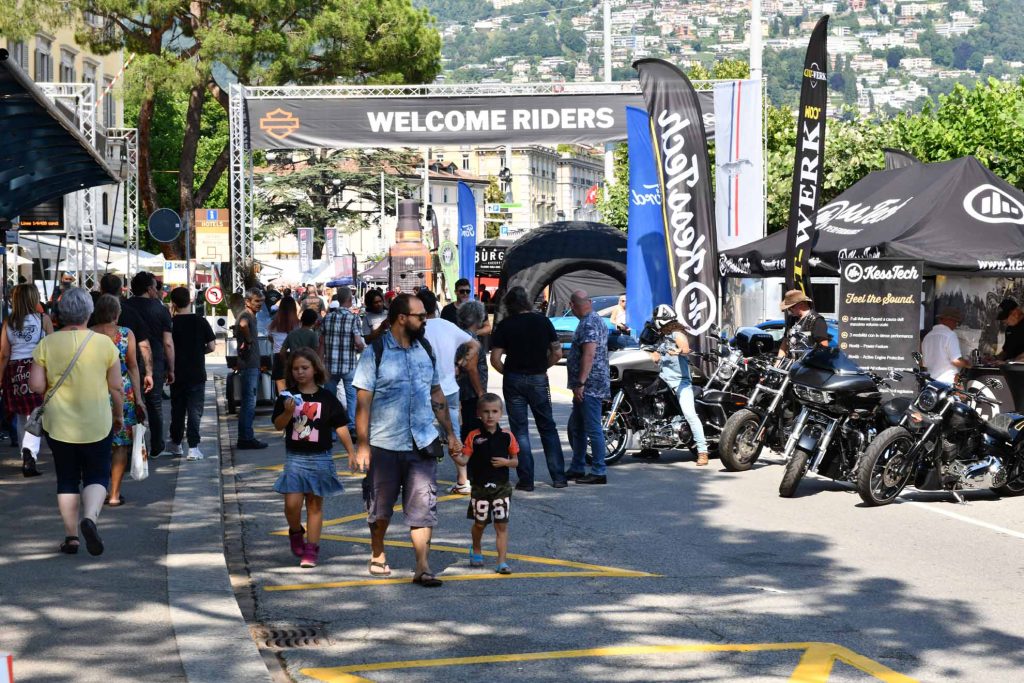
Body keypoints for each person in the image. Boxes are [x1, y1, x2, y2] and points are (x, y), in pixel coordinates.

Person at [352, 293, 461, 587]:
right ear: (402, 318)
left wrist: (450, 434)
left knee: (424, 508)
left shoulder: (425, 348)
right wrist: (362, 445)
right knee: (380, 509)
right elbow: (363, 402)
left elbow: (436, 393)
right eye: (420, 316)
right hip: (384, 444)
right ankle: (378, 552)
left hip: (422, 442)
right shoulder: (375, 352)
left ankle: (422, 567)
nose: (425, 320)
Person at [29, 288, 124, 556]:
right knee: (96, 474)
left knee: (67, 479)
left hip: (59, 424)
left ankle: (71, 537)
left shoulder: (46, 344)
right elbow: (116, 387)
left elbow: (36, 386)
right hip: (97, 421)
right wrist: (118, 416)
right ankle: (90, 519)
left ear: (60, 314)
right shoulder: (105, 344)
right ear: (89, 312)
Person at [272, 348, 356, 569]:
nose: (300, 372)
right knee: (291, 505)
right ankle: (296, 530)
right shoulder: (287, 397)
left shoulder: (326, 397)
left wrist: (351, 452)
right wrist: (288, 413)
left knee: (314, 505)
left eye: (305, 368)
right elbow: (278, 425)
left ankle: (311, 549)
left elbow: (341, 426)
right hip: (295, 458)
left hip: (321, 458)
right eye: (296, 369)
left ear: (315, 369)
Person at [489, 286, 566, 490]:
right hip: (538, 378)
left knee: (520, 430)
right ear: (527, 301)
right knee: (547, 427)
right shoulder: (543, 321)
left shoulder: (505, 325)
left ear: (509, 305)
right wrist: (543, 366)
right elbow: (557, 353)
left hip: (514, 379)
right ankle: (558, 477)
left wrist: (509, 373)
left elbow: (495, 359)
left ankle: (526, 480)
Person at [418, 289, 479, 495]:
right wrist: (460, 364)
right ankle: (463, 479)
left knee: (421, 433)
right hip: (450, 388)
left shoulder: (419, 329)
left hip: (427, 390)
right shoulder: (448, 326)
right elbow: (474, 344)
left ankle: (420, 479)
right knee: (454, 433)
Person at [452, 393, 518, 574]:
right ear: (478, 413)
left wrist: (506, 462)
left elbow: (515, 461)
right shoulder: (473, 437)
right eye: (486, 412)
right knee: (480, 523)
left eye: (494, 411)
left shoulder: (507, 436)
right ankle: (476, 547)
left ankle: (502, 562)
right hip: (480, 488)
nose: (490, 416)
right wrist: (454, 454)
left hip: (501, 487)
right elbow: (464, 460)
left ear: (501, 413)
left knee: (501, 524)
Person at [90, 294, 144, 506]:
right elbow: (132, 365)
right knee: (120, 445)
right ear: (117, 313)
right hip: (122, 391)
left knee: (96, 443)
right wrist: (139, 398)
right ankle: (114, 494)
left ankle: (98, 490)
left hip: (93, 391)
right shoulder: (125, 334)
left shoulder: (88, 333)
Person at [0, 284, 54, 476]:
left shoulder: (9, 322)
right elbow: (52, 346)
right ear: (33, 298)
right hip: (36, 366)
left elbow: (4, 354)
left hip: (15, 370)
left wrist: (0, 377)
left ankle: (27, 453)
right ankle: (29, 453)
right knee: (36, 412)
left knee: (24, 416)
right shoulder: (43, 319)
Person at [648, 305, 709, 466]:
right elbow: (654, 356)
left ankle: (703, 451)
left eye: (656, 319)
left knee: (690, 414)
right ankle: (649, 448)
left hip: (680, 382)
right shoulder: (662, 338)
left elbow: (685, 348)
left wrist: (679, 351)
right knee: (650, 412)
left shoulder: (676, 333)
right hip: (662, 380)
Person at [123, 271, 174, 458]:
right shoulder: (160, 309)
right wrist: (172, 368)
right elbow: (168, 342)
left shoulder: (124, 307)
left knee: (133, 402)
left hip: (129, 360)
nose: (156, 290)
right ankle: (157, 446)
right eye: (154, 286)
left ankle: (136, 446)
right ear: (149, 289)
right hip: (156, 361)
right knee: (155, 404)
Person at [565, 290, 610, 484]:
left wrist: (581, 382)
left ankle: (599, 471)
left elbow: (589, 354)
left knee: (592, 428)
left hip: (590, 384)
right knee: (578, 426)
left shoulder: (589, 323)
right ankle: (577, 467)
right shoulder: (595, 319)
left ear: (573, 305)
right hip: (589, 383)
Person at [166, 288, 216, 460]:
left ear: (173, 303)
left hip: (176, 373)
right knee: (194, 412)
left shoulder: (171, 323)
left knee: (177, 410)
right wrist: (198, 352)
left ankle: (176, 443)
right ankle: (193, 447)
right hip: (196, 373)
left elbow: (167, 346)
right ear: (191, 300)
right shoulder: (200, 321)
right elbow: (212, 346)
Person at [320, 287, 364, 429]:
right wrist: (362, 349)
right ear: (350, 300)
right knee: (352, 397)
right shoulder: (353, 318)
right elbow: (358, 342)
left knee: (330, 398)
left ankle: (332, 429)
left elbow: (321, 342)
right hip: (349, 365)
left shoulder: (327, 318)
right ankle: (351, 427)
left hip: (330, 365)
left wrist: (320, 362)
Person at [235, 288, 268, 450]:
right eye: (257, 302)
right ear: (247, 301)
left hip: (251, 364)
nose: (260, 305)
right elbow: (242, 325)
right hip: (248, 365)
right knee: (249, 403)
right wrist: (248, 340)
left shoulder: (250, 315)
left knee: (249, 402)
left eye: (261, 302)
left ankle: (246, 436)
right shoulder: (246, 315)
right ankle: (246, 438)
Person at [456, 300, 489, 441]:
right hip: (472, 392)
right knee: (473, 431)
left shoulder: (460, 335)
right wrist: (480, 392)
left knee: (468, 428)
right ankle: (471, 461)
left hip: (464, 390)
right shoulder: (471, 339)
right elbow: (471, 368)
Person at [778, 289, 830, 357]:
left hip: (808, 364)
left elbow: (824, 346)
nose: (789, 310)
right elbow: (785, 342)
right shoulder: (791, 319)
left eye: (790, 307)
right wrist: (777, 363)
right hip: (792, 363)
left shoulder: (817, 320)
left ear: (801, 304)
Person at [268, 296, 300, 392]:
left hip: (279, 357)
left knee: (282, 393)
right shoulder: (299, 325)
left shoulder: (273, 325)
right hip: (295, 356)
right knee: (296, 390)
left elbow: (271, 338)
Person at [996, 298, 1024, 362]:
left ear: (1015, 312)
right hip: (1010, 368)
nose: (1004, 321)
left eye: (1005, 317)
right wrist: (995, 358)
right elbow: (1006, 351)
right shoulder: (1009, 329)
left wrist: (1012, 361)